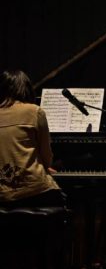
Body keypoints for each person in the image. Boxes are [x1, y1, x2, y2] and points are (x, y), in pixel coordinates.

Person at [0, 70, 65, 209]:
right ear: (27, 89)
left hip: (3, 195)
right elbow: (47, 158)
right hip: (35, 192)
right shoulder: (34, 111)